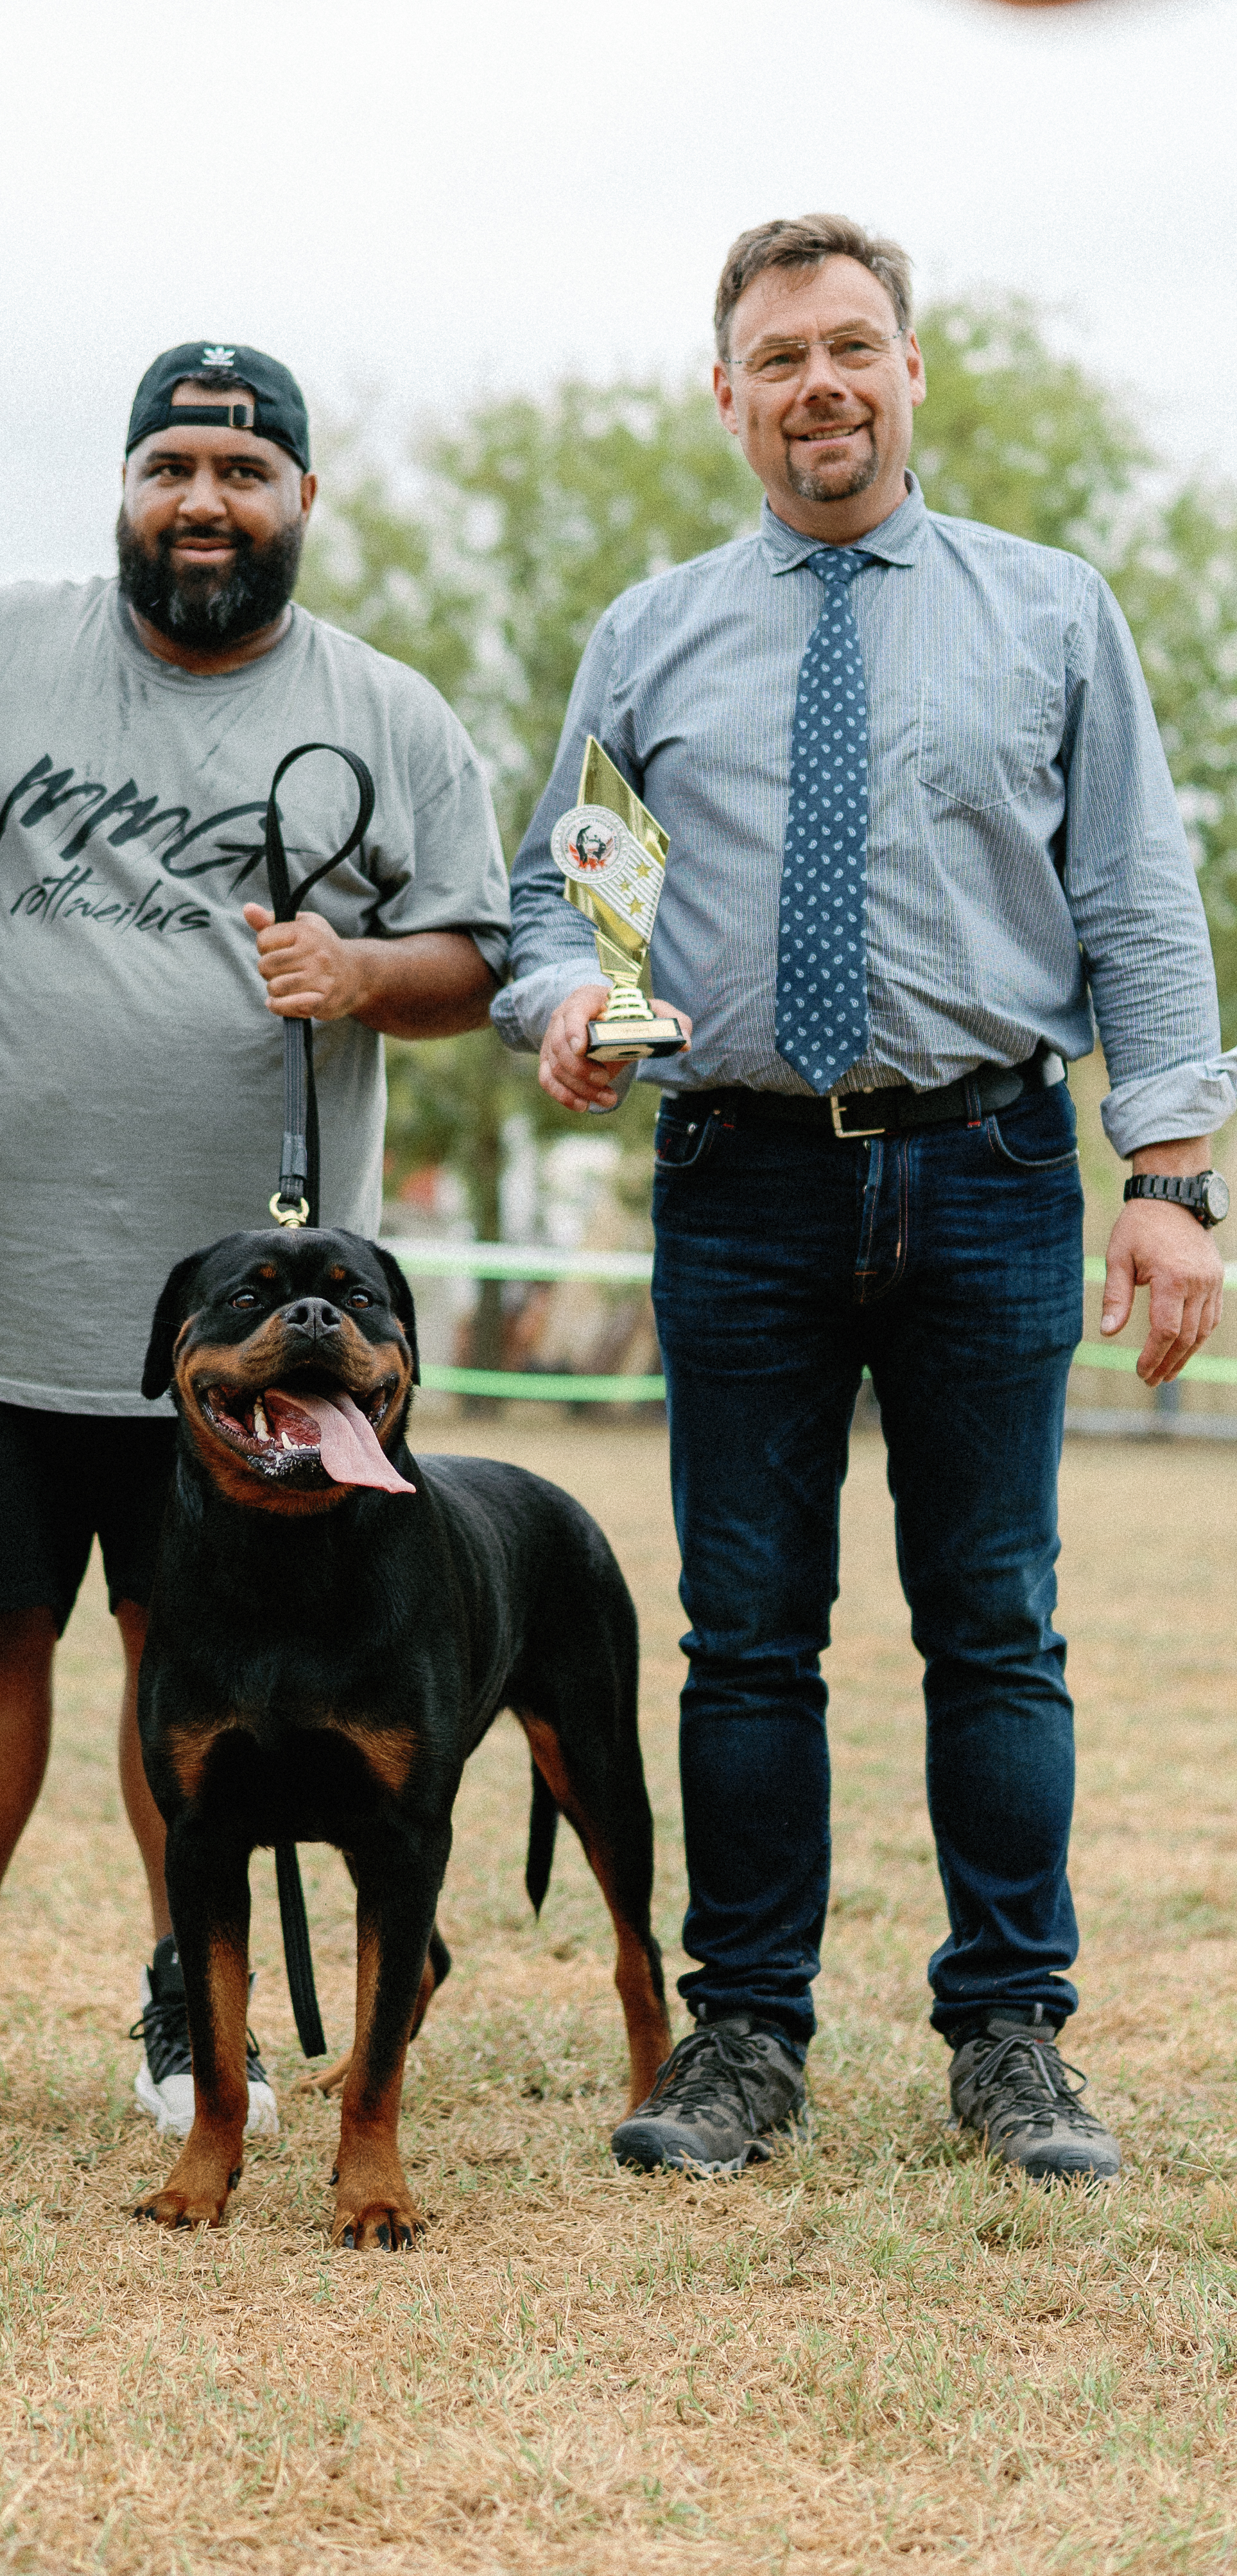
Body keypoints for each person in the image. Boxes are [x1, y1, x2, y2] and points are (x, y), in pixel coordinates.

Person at [497, 214, 1233, 2184]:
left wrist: (1171, 1180)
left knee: (996, 1620)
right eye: (779, 355)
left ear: (915, 372)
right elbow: (568, 890)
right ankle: (746, 2031)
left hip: (992, 1163)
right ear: (725, 394)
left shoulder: (1053, 612)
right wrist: (569, 996)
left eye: (853, 346)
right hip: (737, 1176)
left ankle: (1013, 2032)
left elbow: (1140, 907)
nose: (819, 383)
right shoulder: (651, 636)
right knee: (748, 1630)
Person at [0, 341, 510, 2137]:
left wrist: (363, 974)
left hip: (254, 1341)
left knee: (179, 1654)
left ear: (303, 499)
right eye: (170, 468)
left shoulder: (388, 711)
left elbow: (483, 956)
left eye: (242, 469)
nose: (202, 499)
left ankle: (176, 2006)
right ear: (123, 490)